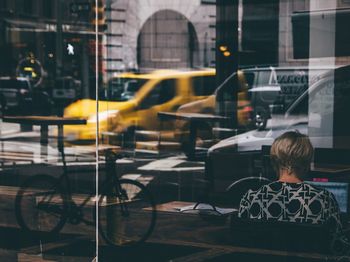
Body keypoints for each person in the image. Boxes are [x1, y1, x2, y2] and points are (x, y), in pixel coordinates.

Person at [238, 131, 349, 254]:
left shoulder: (252, 197)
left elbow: (242, 243)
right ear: (307, 163)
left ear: (274, 161)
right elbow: (338, 247)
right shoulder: (324, 199)